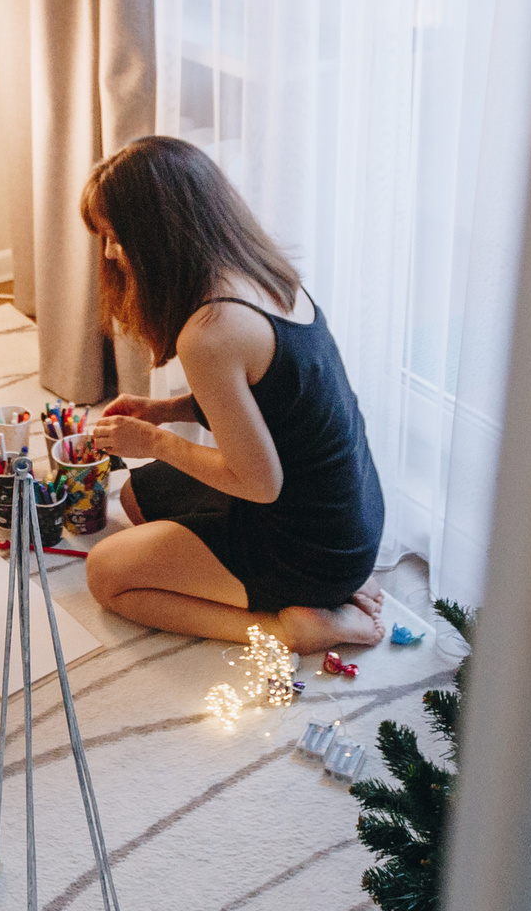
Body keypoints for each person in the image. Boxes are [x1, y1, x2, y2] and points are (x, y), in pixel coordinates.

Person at [79, 136, 388, 653]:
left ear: (157, 235)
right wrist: (166, 410)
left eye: (115, 237)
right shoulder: (261, 274)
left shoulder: (211, 330)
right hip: (348, 514)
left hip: (308, 543)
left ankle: (291, 629)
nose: (110, 252)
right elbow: (276, 404)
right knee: (136, 497)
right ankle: (330, 589)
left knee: (106, 574)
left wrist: (153, 441)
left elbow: (260, 483)